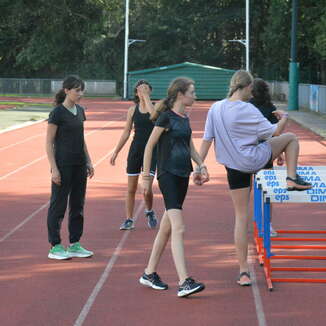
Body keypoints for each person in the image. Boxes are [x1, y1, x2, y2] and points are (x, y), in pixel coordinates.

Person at [198, 70, 312, 286]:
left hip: (233, 166)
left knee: (241, 217)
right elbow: (275, 133)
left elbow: (206, 139)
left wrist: (199, 166)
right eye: (251, 88)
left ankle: (243, 271)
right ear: (245, 87)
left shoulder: (215, 108)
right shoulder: (247, 109)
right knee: (291, 138)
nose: (252, 92)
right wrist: (285, 118)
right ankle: (291, 178)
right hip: (255, 160)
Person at [139, 77, 209, 298]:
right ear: (181, 94)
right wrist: (146, 176)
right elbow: (149, 146)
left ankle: (149, 273)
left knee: (167, 228)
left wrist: (202, 164)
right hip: (167, 175)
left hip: (183, 175)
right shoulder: (165, 118)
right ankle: (184, 281)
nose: (195, 95)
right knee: (179, 228)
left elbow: (190, 147)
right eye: (192, 91)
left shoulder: (185, 118)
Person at [46, 75, 94, 260]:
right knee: (58, 205)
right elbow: (49, 142)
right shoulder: (57, 113)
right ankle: (55, 246)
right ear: (66, 90)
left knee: (77, 205)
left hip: (79, 164)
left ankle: (74, 243)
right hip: (63, 165)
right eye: (77, 90)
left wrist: (89, 161)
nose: (80, 94)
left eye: (82, 90)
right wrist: (54, 168)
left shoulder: (80, 111)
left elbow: (81, 140)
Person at [110, 80, 158, 230]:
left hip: (151, 151)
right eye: (139, 90)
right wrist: (116, 151)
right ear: (136, 92)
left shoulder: (156, 107)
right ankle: (129, 219)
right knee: (131, 188)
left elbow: (155, 117)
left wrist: (146, 98)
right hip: (136, 150)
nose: (142, 92)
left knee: (146, 188)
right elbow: (126, 132)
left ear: (150, 91)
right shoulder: (132, 110)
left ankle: (149, 211)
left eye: (145, 89)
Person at [250, 78, 284, 237]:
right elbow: (276, 133)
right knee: (266, 191)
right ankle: (267, 224)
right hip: (265, 152)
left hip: (247, 152)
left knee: (246, 190)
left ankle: (246, 224)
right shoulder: (271, 108)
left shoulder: (246, 106)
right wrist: (281, 152)